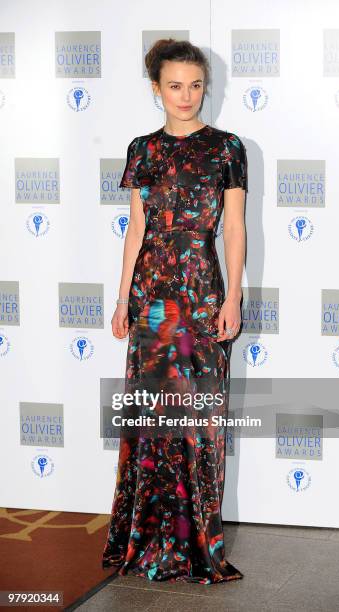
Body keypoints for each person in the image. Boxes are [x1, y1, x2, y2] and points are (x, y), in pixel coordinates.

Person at [102, 38, 248, 584]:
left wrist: (232, 296)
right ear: (155, 89)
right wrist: (122, 299)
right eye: (174, 85)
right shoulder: (141, 149)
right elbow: (136, 230)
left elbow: (233, 227)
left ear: (205, 87)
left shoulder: (228, 147)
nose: (186, 96)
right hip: (151, 297)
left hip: (202, 292)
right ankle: (147, 541)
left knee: (200, 422)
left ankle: (195, 545)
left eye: (196, 85)